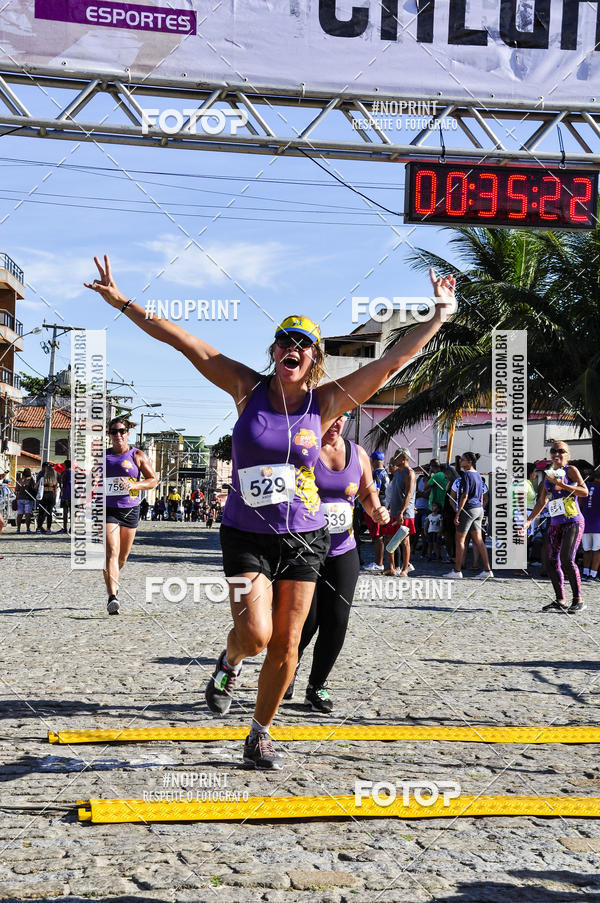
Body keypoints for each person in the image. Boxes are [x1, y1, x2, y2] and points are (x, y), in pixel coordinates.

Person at [86, 254, 455, 769]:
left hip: (305, 537)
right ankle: (230, 660)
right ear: (274, 349)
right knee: (256, 636)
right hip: (245, 534)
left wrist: (438, 316)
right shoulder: (245, 388)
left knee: (287, 644)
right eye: (286, 340)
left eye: (304, 344)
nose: (293, 348)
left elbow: (389, 364)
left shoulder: (325, 403)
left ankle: (259, 732)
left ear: (315, 359)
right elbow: (180, 339)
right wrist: (123, 300)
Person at [285, 414, 389, 712]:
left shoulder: (358, 453)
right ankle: (287, 669)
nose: (335, 425)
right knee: (307, 619)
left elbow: (368, 493)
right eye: (330, 418)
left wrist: (377, 510)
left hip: (344, 548)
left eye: (341, 420)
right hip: (305, 549)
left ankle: (317, 686)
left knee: (337, 621)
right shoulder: (303, 450)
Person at [105, 416, 158, 614]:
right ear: (109, 435)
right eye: (113, 431)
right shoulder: (103, 457)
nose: (117, 435)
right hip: (109, 509)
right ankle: (112, 597)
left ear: (127, 433)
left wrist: (135, 485)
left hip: (130, 509)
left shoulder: (137, 455)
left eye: (121, 431)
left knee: (122, 558)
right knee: (112, 551)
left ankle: (113, 579)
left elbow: (153, 480)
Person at [526, 442, 588, 612]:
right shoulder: (548, 475)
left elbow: (584, 491)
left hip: (573, 521)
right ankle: (560, 600)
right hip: (555, 523)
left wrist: (563, 485)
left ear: (567, 454)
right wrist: (529, 521)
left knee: (567, 559)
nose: (557, 453)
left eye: (561, 451)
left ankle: (578, 600)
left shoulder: (571, 470)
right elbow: (541, 501)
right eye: (553, 450)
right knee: (551, 561)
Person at [444, 452, 493, 579]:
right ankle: (487, 570)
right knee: (479, 540)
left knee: (460, 540)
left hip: (468, 509)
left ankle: (457, 570)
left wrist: (458, 513)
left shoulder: (466, 475)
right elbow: (482, 495)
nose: (461, 462)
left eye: (463, 460)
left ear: (470, 462)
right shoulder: (478, 475)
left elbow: (464, 495)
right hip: (478, 509)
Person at [386, 448, 416, 577]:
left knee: (404, 541)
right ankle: (392, 567)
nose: (394, 459)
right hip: (393, 511)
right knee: (389, 538)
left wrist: (402, 511)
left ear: (403, 459)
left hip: (405, 512)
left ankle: (405, 568)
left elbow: (408, 494)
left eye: (396, 457)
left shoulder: (410, 473)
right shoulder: (397, 472)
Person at [362, 451, 390, 573]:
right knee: (381, 536)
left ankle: (378, 563)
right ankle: (381, 562)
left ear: (373, 461)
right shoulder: (386, 473)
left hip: (377, 508)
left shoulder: (376, 474)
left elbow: (374, 492)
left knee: (377, 537)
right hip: (385, 507)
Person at [581, 471, 600, 581]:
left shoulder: (585, 486)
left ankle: (585, 573)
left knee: (586, 550)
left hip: (585, 522)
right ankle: (593, 575)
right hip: (598, 524)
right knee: (596, 550)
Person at [35, 462, 58, 534]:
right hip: (51, 495)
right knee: (49, 513)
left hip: (43, 495)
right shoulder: (53, 480)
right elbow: (56, 490)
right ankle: (48, 529)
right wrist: (55, 498)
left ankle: (39, 528)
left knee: (41, 512)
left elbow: (35, 486)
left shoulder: (42, 478)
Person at [16, 467, 36, 534]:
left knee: (20, 514)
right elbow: (34, 488)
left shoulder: (20, 480)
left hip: (20, 499)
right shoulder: (31, 480)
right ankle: (28, 528)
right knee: (28, 514)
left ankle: (18, 529)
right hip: (28, 499)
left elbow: (16, 490)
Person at [59, 460, 72, 533]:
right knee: (72, 512)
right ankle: (71, 528)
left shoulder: (64, 473)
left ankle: (65, 528)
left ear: (65, 465)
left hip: (66, 494)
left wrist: (62, 492)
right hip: (73, 494)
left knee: (65, 512)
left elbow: (61, 483)